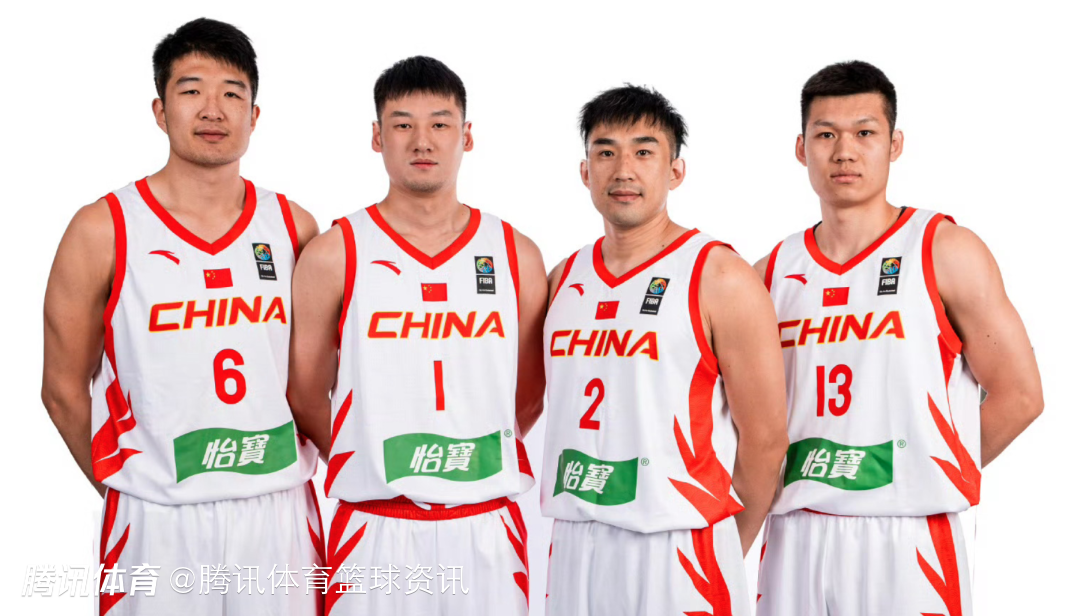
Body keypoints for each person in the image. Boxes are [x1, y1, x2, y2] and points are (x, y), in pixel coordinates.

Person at [41, 17, 324, 615]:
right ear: (160, 109)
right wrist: (132, 488)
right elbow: (63, 391)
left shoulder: (294, 227)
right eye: (192, 90)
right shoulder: (103, 229)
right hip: (157, 519)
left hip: (275, 512)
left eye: (232, 93)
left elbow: (317, 378)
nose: (213, 109)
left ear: (254, 115)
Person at [753, 60, 1044, 616]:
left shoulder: (943, 248)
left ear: (895, 144)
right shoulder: (770, 272)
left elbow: (1021, 395)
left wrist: (930, 467)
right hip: (796, 529)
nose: (845, 152)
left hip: (909, 531)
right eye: (826, 135)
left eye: (864, 132)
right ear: (801, 148)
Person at [287, 56, 547, 615]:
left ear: (466, 136)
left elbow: (529, 394)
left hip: (485, 525)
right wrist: (367, 453)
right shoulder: (335, 252)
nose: (422, 141)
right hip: (373, 527)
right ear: (377, 137)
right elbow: (305, 392)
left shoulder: (515, 254)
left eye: (440, 124)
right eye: (403, 124)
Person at [541, 85, 789, 615]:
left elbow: (766, 440)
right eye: (606, 152)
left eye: (643, 152)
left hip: (679, 544)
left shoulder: (719, 275)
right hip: (576, 541)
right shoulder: (563, 278)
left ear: (675, 171)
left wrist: (723, 547)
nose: (623, 170)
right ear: (585, 171)